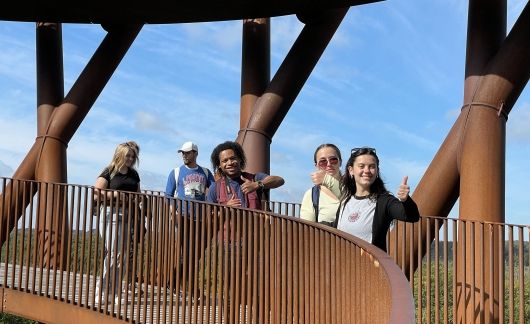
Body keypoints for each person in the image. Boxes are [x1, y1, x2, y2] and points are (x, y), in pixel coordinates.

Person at [321, 147, 420, 252]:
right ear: (351, 170)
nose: (367, 171)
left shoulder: (384, 200)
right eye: (361, 166)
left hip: (370, 266)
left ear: (377, 171)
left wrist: (405, 200)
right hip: (343, 265)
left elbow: (411, 216)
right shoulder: (346, 200)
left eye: (372, 167)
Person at [93, 141, 141, 304]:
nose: (130, 158)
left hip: (128, 214)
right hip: (110, 213)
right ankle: (106, 289)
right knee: (114, 252)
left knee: (122, 254)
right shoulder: (110, 171)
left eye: (132, 156)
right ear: (119, 155)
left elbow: (138, 193)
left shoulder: (134, 175)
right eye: (127, 155)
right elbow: (97, 192)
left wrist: (137, 199)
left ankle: (110, 289)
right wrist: (113, 196)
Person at [206, 141, 284, 209]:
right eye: (225, 160)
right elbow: (209, 217)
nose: (230, 163)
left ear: (240, 159)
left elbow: (279, 180)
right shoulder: (215, 188)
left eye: (233, 158)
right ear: (219, 165)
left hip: (255, 226)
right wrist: (225, 208)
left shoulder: (255, 178)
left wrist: (257, 184)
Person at [300, 143, 342, 226]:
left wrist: (327, 180)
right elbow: (307, 229)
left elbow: (350, 199)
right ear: (317, 166)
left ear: (340, 162)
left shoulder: (354, 186)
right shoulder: (312, 195)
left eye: (333, 160)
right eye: (323, 162)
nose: (329, 164)